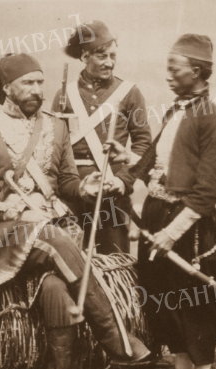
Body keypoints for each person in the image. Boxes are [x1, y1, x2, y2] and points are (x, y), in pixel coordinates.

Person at [0, 51, 145, 369]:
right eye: (27, 83)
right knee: (51, 237)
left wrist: (87, 187)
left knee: (56, 287)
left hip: (49, 234)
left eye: (40, 82)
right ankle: (118, 341)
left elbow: (67, 183)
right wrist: (0, 208)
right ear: (6, 88)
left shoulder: (57, 127)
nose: (37, 90)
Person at [134, 34, 216, 369]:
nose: (167, 75)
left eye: (173, 68)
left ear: (196, 71)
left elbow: (207, 193)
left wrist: (170, 233)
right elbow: (154, 163)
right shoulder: (174, 112)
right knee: (162, 296)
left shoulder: (213, 120)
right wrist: (125, 169)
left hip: (189, 228)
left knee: (194, 303)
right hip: (156, 216)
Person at [51, 21, 151, 256]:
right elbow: (53, 148)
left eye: (113, 56)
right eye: (102, 56)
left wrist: (123, 181)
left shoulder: (130, 93)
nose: (109, 62)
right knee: (70, 262)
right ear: (85, 56)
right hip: (73, 194)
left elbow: (143, 144)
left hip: (112, 194)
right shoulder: (65, 95)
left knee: (115, 262)